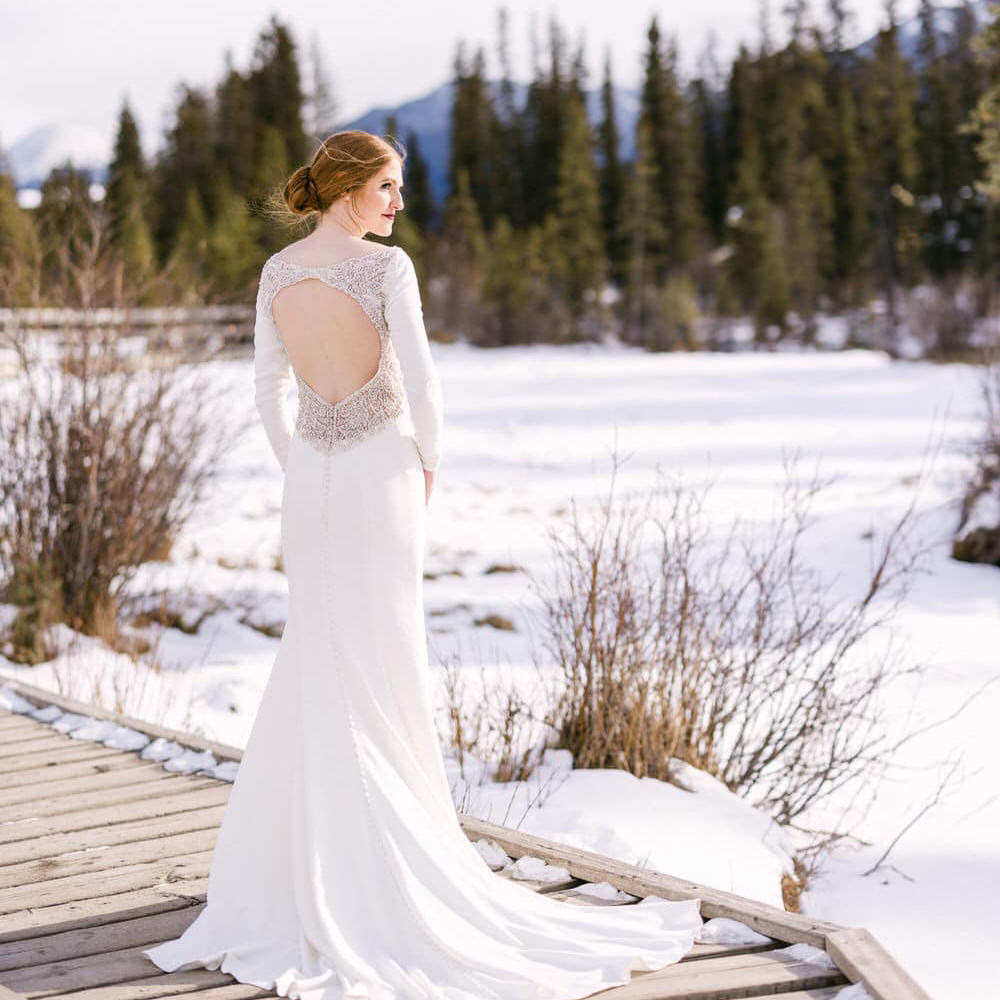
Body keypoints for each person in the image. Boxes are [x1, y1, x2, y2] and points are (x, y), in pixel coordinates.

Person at [142, 130, 702, 999]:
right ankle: (381, 877)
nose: (399, 203)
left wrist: (302, 466)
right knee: (383, 657)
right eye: (389, 187)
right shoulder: (386, 272)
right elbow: (426, 382)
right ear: (349, 189)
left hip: (314, 481)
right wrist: (427, 459)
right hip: (382, 473)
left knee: (319, 649)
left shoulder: (279, 274)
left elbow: (266, 390)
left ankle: (301, 873)